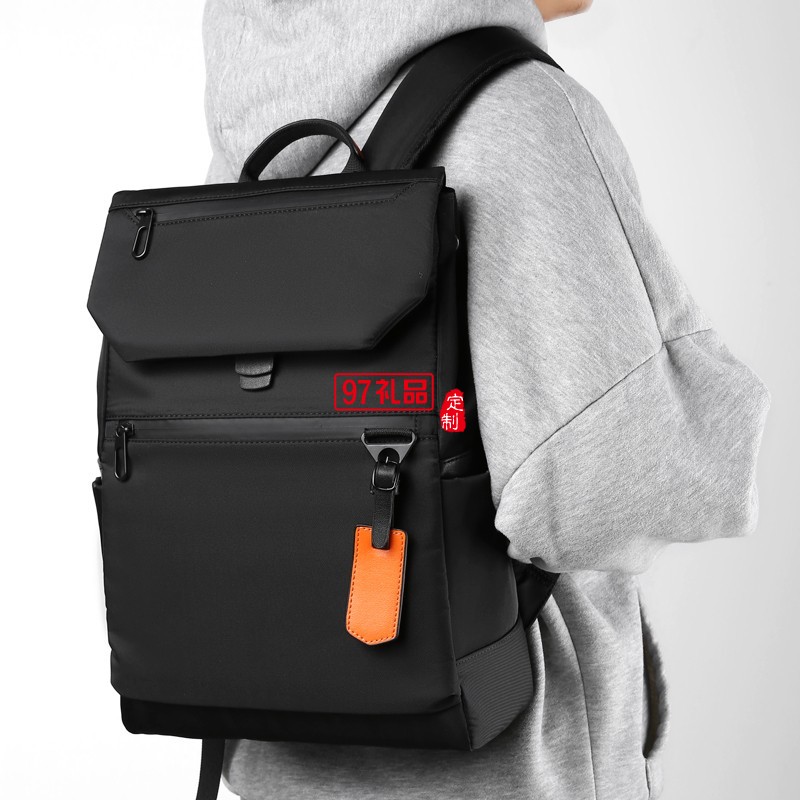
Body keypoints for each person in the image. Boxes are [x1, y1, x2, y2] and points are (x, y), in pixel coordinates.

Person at [202, 1, 770, 798]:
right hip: (504, 764)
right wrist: (707, 401)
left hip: (280, 761)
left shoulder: (257, 136)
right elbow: (615, 481)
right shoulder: (518, 112)